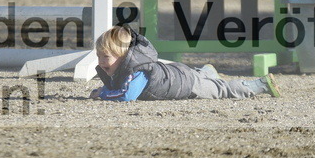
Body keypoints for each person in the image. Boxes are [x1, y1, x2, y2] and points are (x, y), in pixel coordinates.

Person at [90, 25, 280, 102]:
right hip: (177, 74)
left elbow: (127, 95)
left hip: (187, 84)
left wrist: (103, 93)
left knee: (223, 91)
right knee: (204, 78)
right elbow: (122, 85)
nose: (101, 62)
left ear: (124, 57)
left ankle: (260, 84)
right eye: (99, 56)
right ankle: (206, 72)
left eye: (106, 57)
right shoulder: (128, 66)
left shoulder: (138, 71)